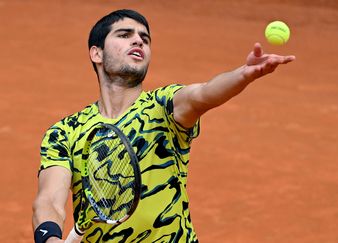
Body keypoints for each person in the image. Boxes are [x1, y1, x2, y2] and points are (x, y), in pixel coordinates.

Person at [32, 9, 295, 243]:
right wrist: (50, 238)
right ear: (96, 53)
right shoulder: (65, 132)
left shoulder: (163, 106)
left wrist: (242, 75)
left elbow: (203, 94)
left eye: (144, 39)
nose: (138, 40)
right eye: (125, 35)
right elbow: (49, 200)